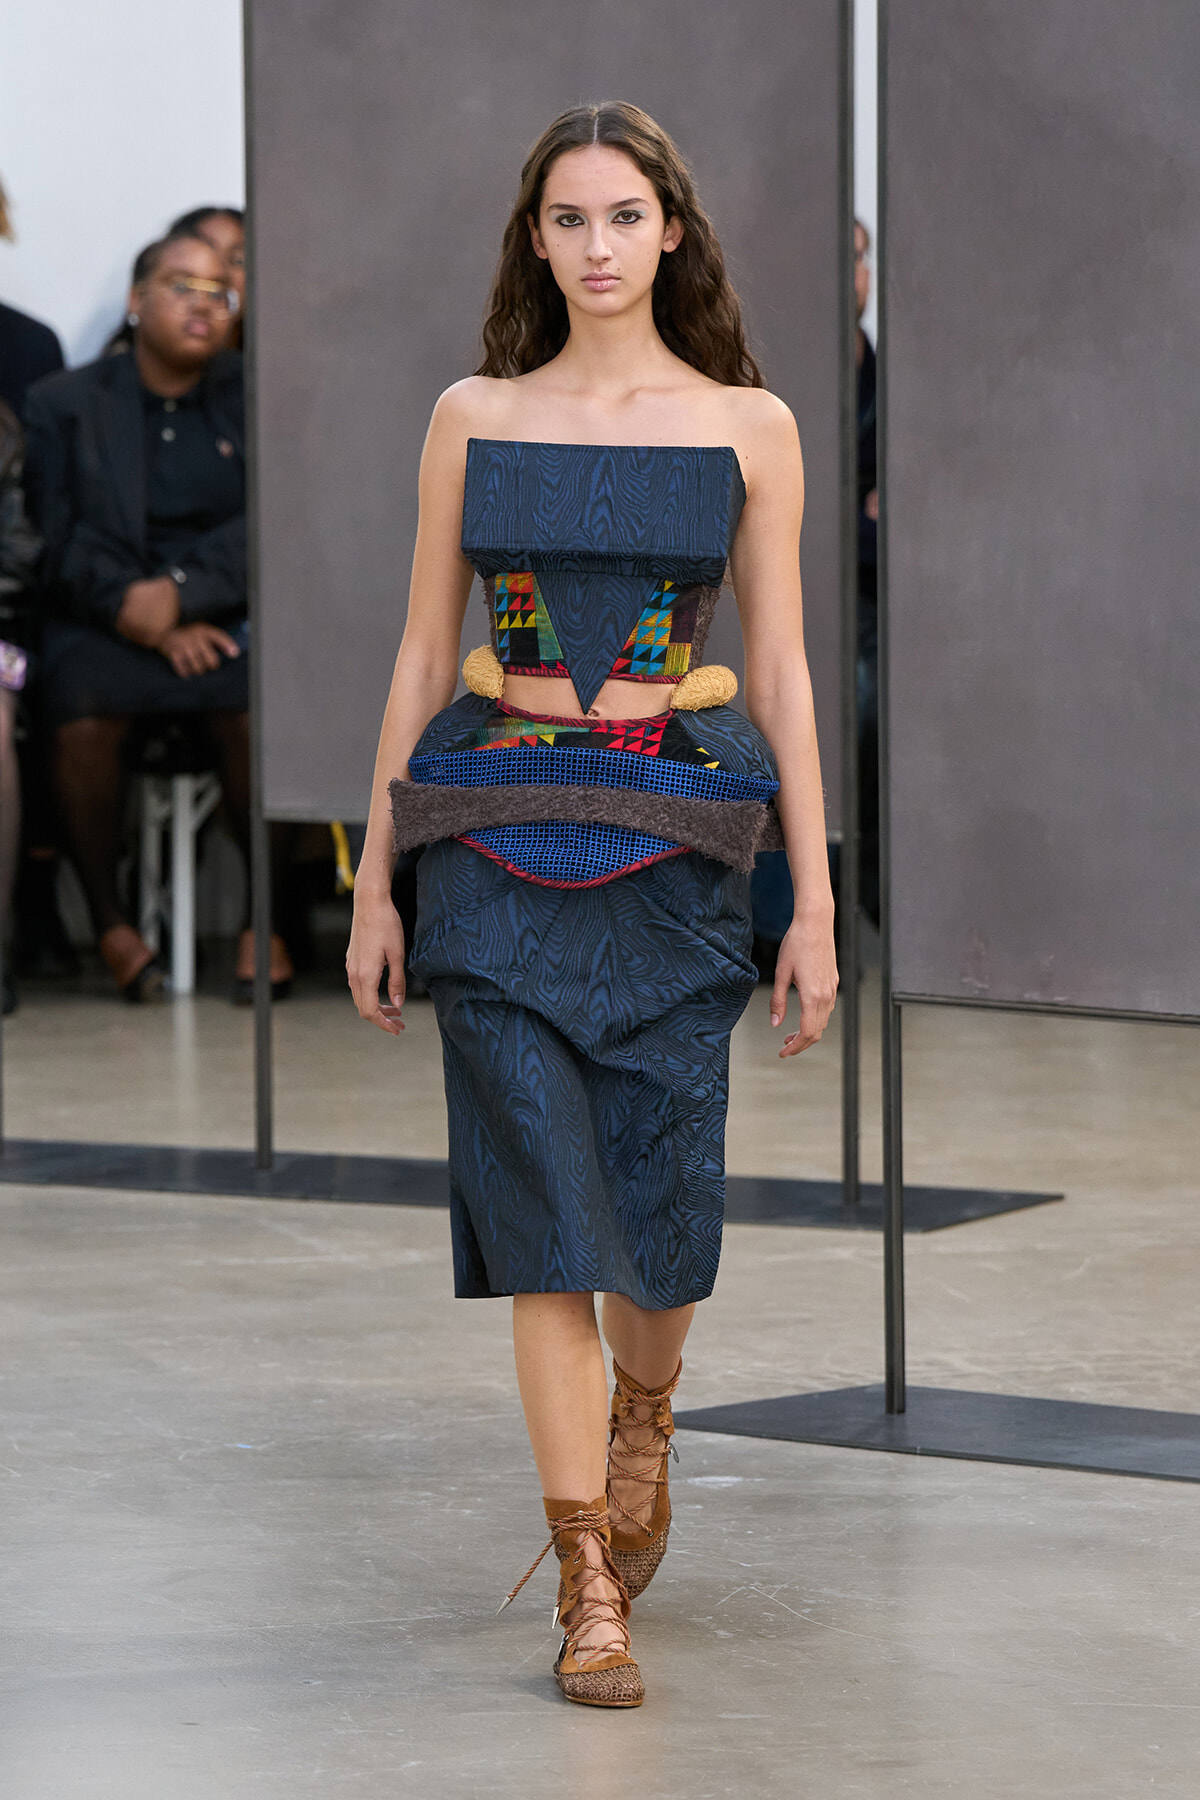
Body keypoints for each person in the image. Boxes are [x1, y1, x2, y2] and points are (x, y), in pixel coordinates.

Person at [346, 102, 837, 1709]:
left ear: (672, 231)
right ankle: (584, 1586)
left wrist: (814, 900)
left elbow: (778, 671)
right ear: (536, 240)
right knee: (541, 1206)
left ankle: (649, 1408)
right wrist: (372, 873)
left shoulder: (750, 424)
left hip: (682, 833)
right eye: (570, 219)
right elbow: (424, 658)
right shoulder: (469, 413)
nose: (599, 245)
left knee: (664, 1204)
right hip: (488, 828)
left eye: (626, 215)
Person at [23, 230, 293, 1000]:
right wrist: (137, 611)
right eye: (182, 286)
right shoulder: (65, 404)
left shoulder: (256, 392)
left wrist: (182, 591)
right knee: (77, 709)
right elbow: (55, 534)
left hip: (220, 618)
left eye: (218, 292)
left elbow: (273, 518)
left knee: (264, 702)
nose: (202, 305)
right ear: (137, 301)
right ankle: (111, 922)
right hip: (106, 620)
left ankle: (262, 919)